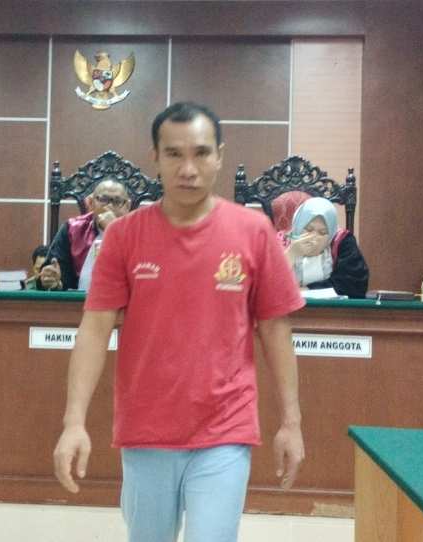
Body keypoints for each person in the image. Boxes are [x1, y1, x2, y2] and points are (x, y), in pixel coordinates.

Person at [52, 102, 305, 542]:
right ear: (155, 156)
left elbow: (276, 331)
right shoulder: (124, 236)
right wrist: (74, 422)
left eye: (201, 153)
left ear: (220, 156)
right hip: (146, 429)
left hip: (225, 428)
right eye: (174, 154)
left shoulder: (254, 231)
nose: (188, 169)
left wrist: (292, 423)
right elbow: (94, 331)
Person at [39, 180, 131, 291]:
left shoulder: (138, 232)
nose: (110, 206)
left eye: (117, 201)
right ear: (91, 203)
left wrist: (113, 231)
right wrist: (54, 281)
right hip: (79, 300)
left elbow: (141, 275)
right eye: (104, 200)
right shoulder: (72, 229)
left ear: (127, 206)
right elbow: (55, 274)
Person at [281, 197, 369, 298]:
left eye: (322, 232)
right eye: (309, 229)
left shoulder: (341, 241)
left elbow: (353, 285)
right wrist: (292, 253)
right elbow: (269, 285)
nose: (314, 238)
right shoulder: (281, 242)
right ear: (298, 227)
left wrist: (307, 290)